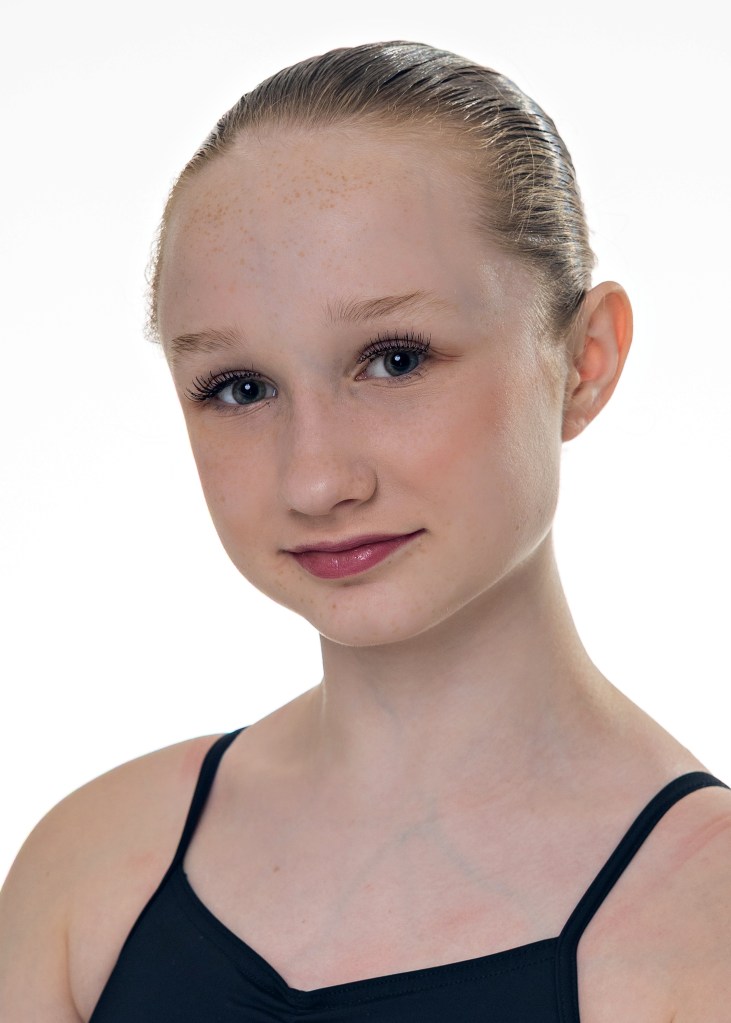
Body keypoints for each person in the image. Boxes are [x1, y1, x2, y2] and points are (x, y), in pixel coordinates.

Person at [1, 40, 729, 1022]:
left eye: (393, 360)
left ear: (584, 359)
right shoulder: (91, 870)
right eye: (238, 388)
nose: (314, 479)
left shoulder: (702, 920)